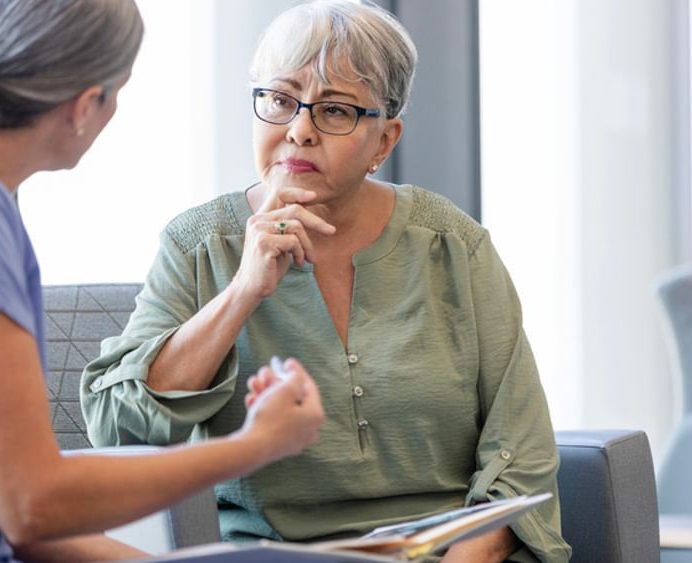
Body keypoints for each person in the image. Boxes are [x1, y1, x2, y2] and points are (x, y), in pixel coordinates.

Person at [0, 1, 325, 562]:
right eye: (119, 95)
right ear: (87, 104)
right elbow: (31, 502)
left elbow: (21, 521)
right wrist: (256, 445)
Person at [81, 1, 571, 562]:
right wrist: (244, 290)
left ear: (384, 141)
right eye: (280, 100)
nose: (299, 130)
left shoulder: (454, 246)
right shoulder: (196, 245)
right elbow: (115, 432)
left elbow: (522, 454)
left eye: (334, 111)